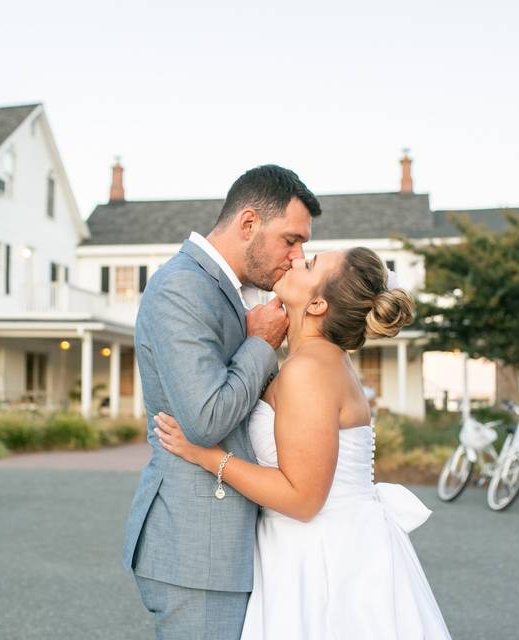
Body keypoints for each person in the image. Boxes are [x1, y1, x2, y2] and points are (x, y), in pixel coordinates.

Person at [154, 247, 452, 639]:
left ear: (316, 304)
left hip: (321, 557)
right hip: (336, 544)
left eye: (309, 265)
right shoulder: (324, 359)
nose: (296, 259)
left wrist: (207, 456)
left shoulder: (308, 370)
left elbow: (303, 499)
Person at [122, 165, 321, 639]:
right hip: (198, 550)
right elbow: (205, 420)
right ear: (248, 224)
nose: (297, 258)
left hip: (235, 546)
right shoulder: (181, 286)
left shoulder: (237, 290)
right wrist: (260, 343)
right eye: (291, 240)